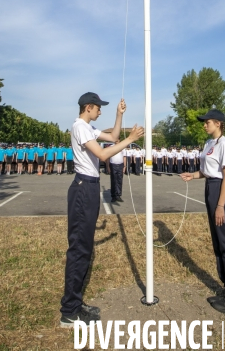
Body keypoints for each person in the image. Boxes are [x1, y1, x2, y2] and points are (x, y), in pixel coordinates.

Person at [60, 92, 144, 327]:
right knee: (79, 249)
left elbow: (113, 136)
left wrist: (119, 115)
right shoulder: (80, 127)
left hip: (89, 186)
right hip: (83, 187)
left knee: (84, 247)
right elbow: (103, 153)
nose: (100, 111)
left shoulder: (87, 127)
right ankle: (69, 310)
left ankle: (75, 303)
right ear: (88, 107)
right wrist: (130, 140)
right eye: (98, 108)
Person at [180, 109, 225, 313]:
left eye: (207, 122)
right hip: (210, 188)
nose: (204, 125)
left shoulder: (224, 145)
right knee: (218, 243)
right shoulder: (209, 144)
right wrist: (193, 175)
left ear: (218, 123)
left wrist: (220, 205)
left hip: (220, 193)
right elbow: (208, 172)